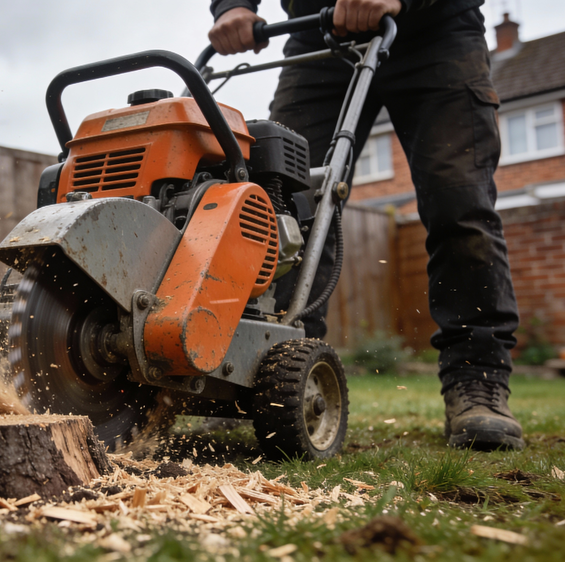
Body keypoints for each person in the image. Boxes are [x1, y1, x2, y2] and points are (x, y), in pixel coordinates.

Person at [208, 0, 525, 450]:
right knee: (281, 205)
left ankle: (478, 380)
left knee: (458, 202)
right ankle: (269, 379)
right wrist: (234, 6)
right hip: (318, 34)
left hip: (437, 30)